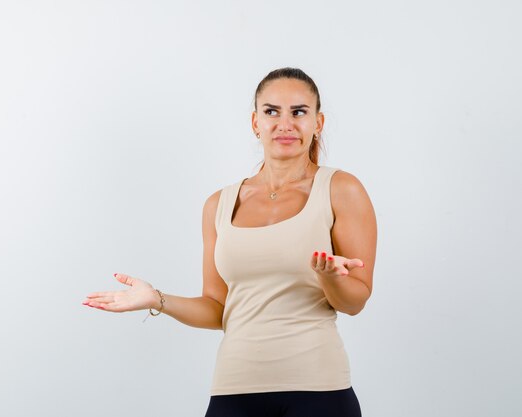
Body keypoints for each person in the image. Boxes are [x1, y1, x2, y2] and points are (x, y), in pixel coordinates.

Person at [82, 67, 377, 417]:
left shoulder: (342, 190)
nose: (285, 125)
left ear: (318, 123)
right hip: (235, 388)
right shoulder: (218, 205)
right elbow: (217, 308)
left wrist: (330, 278)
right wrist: (157, 299)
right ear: (255, 122)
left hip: (319, 388)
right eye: (271, 112)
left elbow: (355, 301)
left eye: (299, 112)